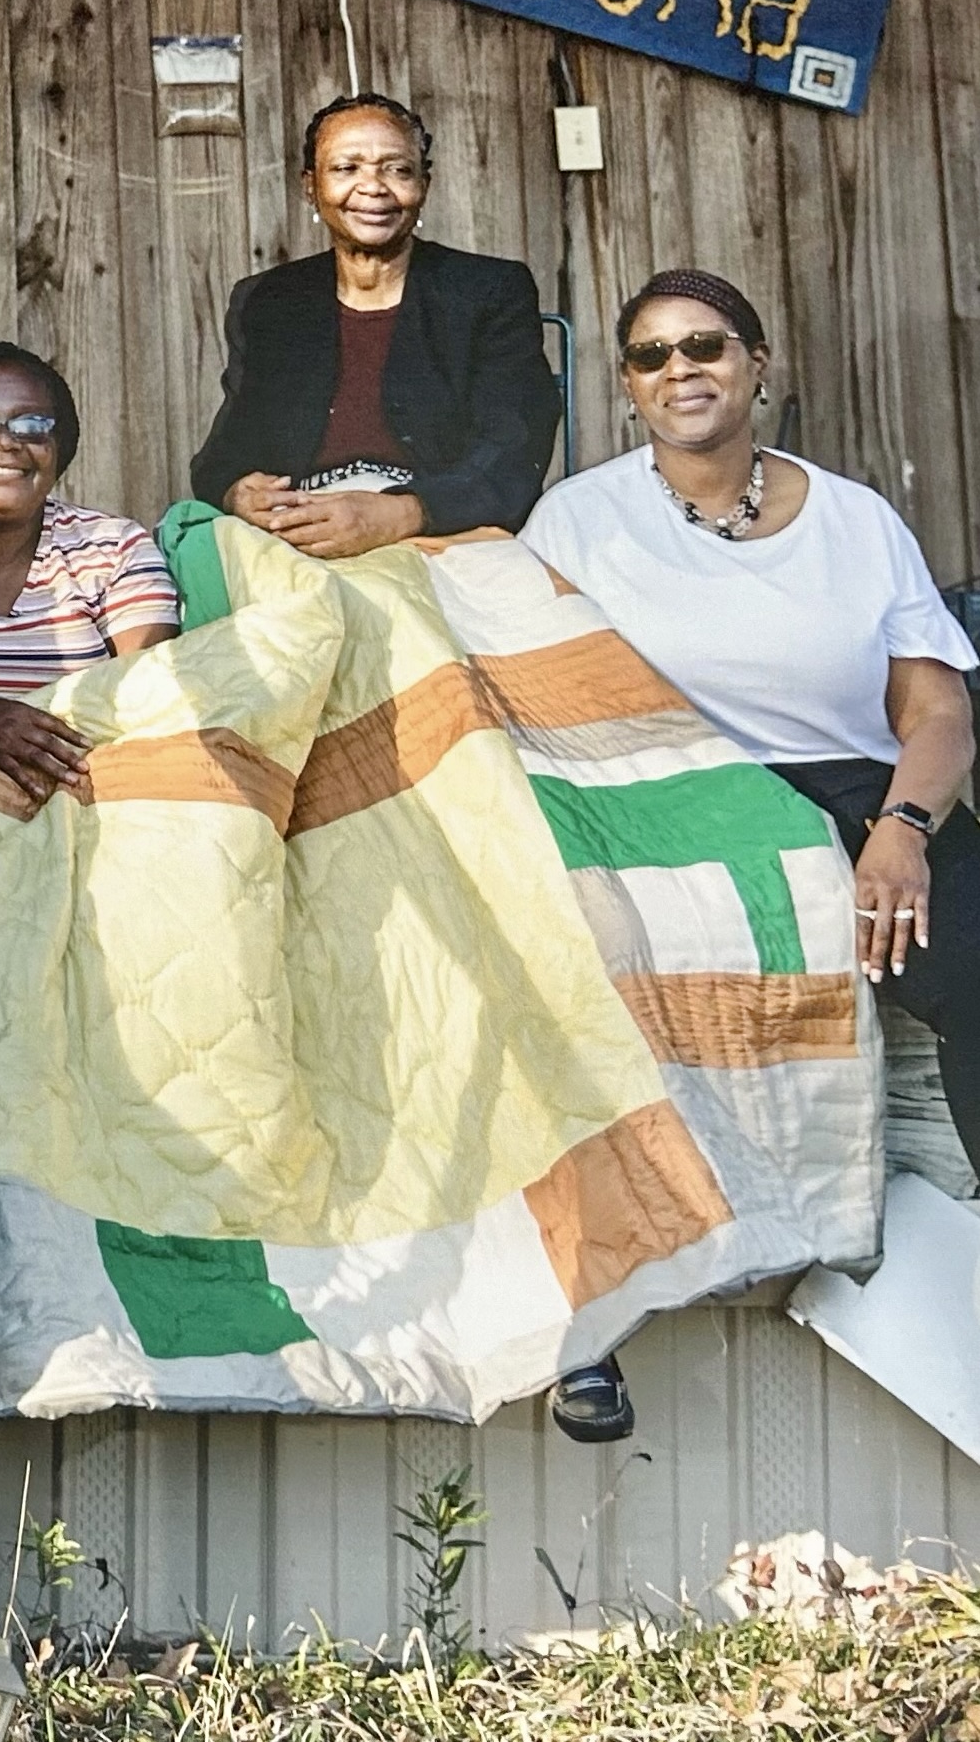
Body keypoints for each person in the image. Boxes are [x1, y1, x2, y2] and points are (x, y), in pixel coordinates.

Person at [521, 268, 980, 1444]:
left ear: (759, 363)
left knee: (976, 957)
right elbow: (515, 674)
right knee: (578, 976)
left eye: (707, 345)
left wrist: (905, 829)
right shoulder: (580, 516)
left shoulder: (856, 517)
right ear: (628, 388)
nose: (682, 370)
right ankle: (593, 1319)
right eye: (652, 355)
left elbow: (935, 714)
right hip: (663, 799)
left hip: (850, 797)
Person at [190, 93, 563, 559]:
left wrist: (401, 514)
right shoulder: (269, 301)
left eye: (397, 169)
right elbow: (226, 450)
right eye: (346, 168)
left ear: (423, 185)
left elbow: (515, 449)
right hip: (301, 538)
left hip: (442, 535)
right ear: (311, 186)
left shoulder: (487, 290)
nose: (373, 187)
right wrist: (238, 492)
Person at [0, 341, 182, 800]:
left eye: (33, 426)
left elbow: (153, 698)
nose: (5, 442)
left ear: (58, 452)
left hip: (91, 804)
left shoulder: (112, 548)